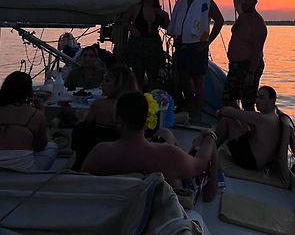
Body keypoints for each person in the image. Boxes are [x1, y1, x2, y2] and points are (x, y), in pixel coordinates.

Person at [82, 92, 218, 202]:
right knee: (200, 145)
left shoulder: (100, 154)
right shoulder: (168, 155)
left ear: (118, 120)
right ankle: (213, 189)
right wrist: (210, 137)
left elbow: (81, 184)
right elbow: (200, 165)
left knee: (165, 134)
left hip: (117, 212)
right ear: (146, 121)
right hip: (155, 216)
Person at [167, 0, 224, 120]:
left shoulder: (206, 2)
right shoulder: (182, 1)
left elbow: (219, 21)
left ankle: (197, 111)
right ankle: (189, 105)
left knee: (198, 80)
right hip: (182, 46)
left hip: (198, 46)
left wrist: (208, 41)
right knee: (184, 78)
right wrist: (176, 37)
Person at [71, 64, 138, 170]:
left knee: (80, 128)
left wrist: (80, 117)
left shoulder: (100, 105)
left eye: (107, 81)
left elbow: (82, 133)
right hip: (126, 159)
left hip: (97, 158)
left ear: (119, 84)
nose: (101, 84)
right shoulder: (136, 106)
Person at [222, 0, 267, 111]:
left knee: (247, 103)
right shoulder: (242, 14)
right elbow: (237, 1)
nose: (245, 2)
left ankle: (250, 127)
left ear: (255, 2)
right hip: (235, 66)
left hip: (249, 67)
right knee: (228, 99)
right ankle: (239, 121)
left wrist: (251, 73)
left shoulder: (258, 24)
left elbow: (257, 51)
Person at [0, 71, 58, 170]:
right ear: (28, 92)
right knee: (52, 147)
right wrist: (41, 114)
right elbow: (40, 146)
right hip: (23, 170)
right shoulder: (35, 114)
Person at [215, 85, 280, 170]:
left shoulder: (262, 118)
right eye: (257, 97)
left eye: (261, 97)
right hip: (258, 159)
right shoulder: (274, 115)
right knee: (239, 121)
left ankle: (209, 150)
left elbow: (231, 112)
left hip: (249, 162)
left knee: (227, 120)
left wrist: (219, 112)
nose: (257, 101)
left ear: (272, 101)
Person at [122, 0, 170, 91]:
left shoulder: (158, 11)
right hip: (138, 44)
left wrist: (165, 16)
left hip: (153, 45)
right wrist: (132, 29)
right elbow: (124, 21)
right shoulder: (136, 8)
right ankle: (138, 99)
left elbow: (166, 27)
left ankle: (151, 100)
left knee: (153, 76)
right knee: (137, 75)